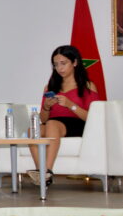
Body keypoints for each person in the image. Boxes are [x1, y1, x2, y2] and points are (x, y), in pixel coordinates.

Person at [28, 45, 101, 186]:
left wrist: (70, 104)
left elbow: (93, 118)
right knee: (32, 130)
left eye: (63, 63)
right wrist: (46, 107)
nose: (59, 68)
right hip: (54, 123)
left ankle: (47, 171)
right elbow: (43, 119)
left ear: (74, 62)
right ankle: (42, 173)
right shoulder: (49, 87)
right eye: (56, 65)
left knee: (52, 124)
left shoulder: (87, 85)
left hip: (77, 123)